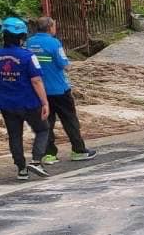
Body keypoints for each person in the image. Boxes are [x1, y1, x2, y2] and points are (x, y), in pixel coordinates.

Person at [0, 17, 50, 181]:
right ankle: (36, 160)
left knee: (14, 135)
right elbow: (36, 81)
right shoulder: (28, 56)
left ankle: (21, 169)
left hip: (6, 103)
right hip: (29, 102)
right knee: (42, 129)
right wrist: (44, 102)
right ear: (22, 36)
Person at [27, 17, 96, 164]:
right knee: (69, 120)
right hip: (59, 89)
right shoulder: (54, 43)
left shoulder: (29, 43)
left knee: (46, 122)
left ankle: (49, 154)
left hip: (39, 90)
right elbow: (64, 64)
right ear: (50, 28)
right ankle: (78, 150)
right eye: (54, 26)